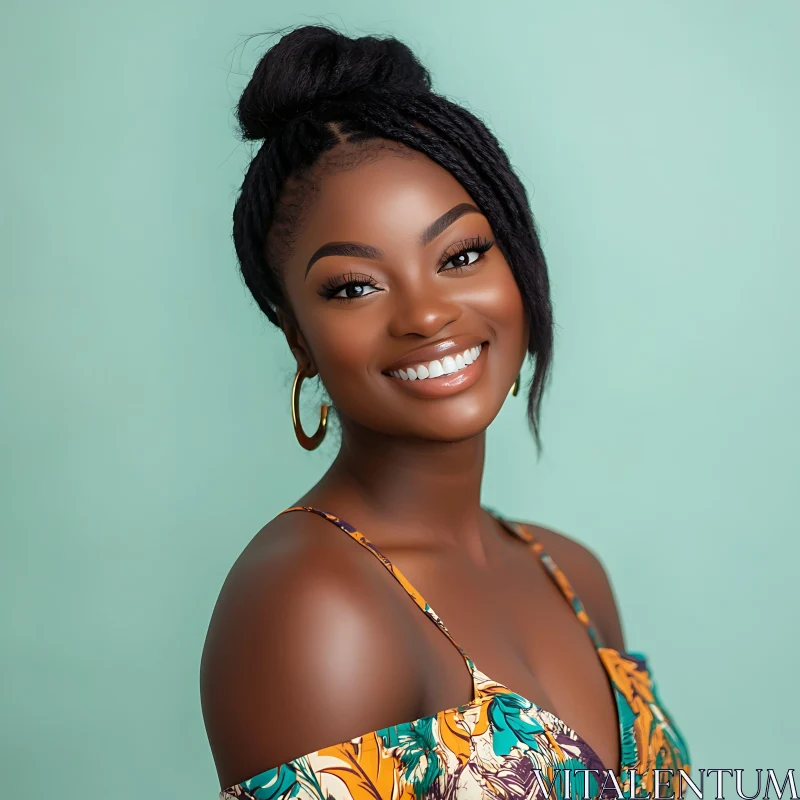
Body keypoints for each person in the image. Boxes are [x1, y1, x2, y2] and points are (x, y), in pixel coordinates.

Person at [200, 24, 691, 800]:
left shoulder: (571, 575)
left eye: (460, 256)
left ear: (517, 260)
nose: (427, 315)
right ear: (298, 335)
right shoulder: (311, 604)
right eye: (355, 286)